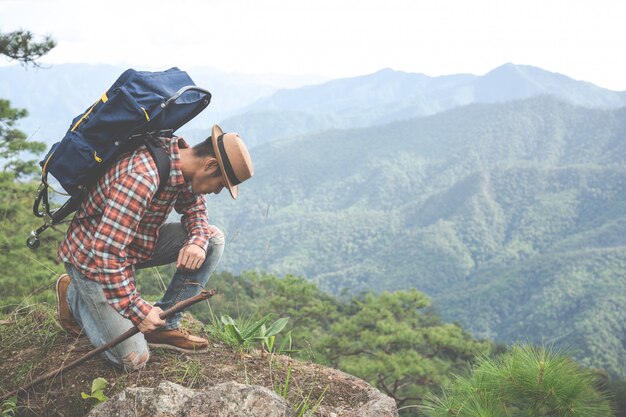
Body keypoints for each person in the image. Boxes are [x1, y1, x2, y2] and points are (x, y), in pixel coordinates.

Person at [55, 124, 253, 371]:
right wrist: (138, 311)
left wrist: (197, 242)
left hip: (130, 245)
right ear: (210, 165)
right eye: (221, 184)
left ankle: (165, 324)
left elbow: (196, 209)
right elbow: (106, 253)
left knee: (211, 239)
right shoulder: (142, 177)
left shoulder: (180, 161)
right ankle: (74, 297)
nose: (216, 191)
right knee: (134, 359)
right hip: (92, 261)